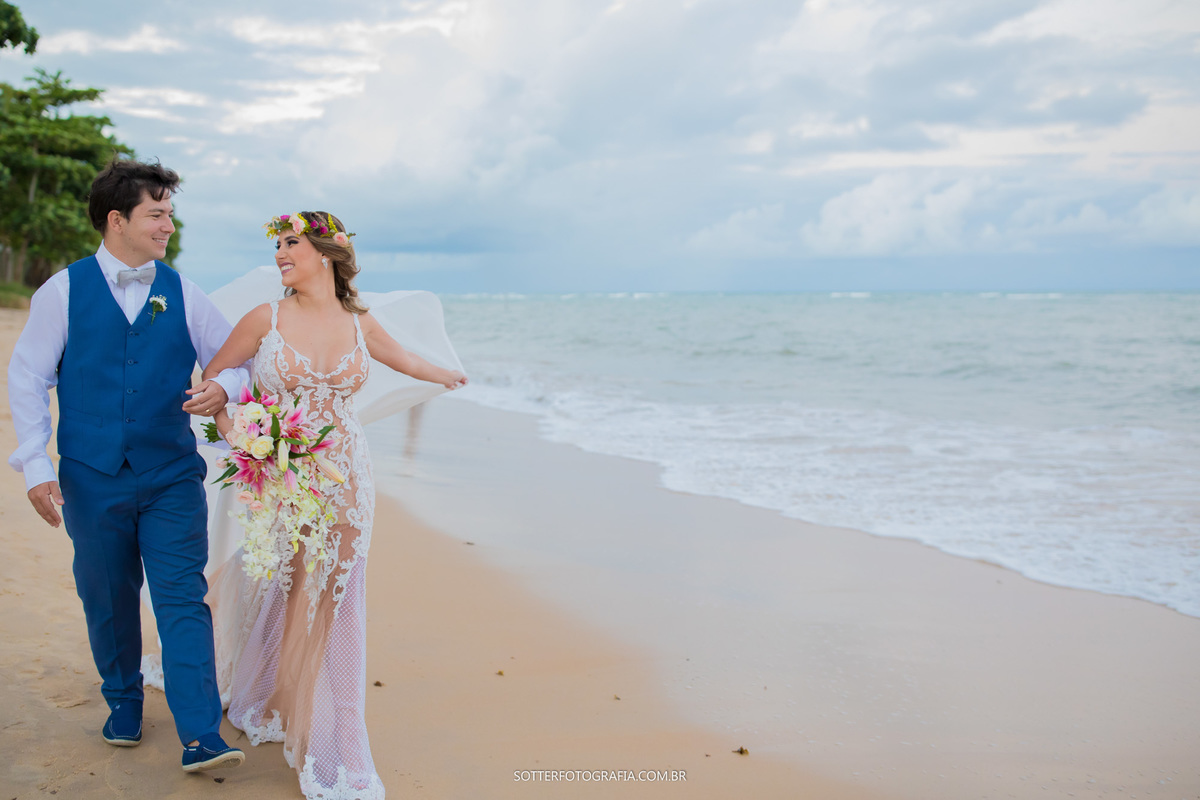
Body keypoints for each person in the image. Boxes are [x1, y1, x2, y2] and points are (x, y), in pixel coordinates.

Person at [201, 211, 466, 799]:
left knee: (339, 588)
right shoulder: (263, 318)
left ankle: (334, 724)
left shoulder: (359, 318)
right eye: (278, 246)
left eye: (290, 243)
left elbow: (403, 360)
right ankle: (266, 692)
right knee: (286, 578)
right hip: (282, 473)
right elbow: (216, 377)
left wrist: (445, 374)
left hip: (347, 472)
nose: (280, 255)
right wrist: (238, 436)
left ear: (325, 252)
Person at [6, 159, 248, 772]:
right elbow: (29, 379)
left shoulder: (185, 292)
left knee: (181, 597)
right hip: (90, 477)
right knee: (107, 595)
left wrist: (226, 388)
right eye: (157, 214)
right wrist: (36, 464)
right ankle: (123, 701)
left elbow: (235, 362)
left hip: (171, 472)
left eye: (169, 213)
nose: (169, 225)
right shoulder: (60, 291)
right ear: (118, 220)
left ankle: (202, 733)